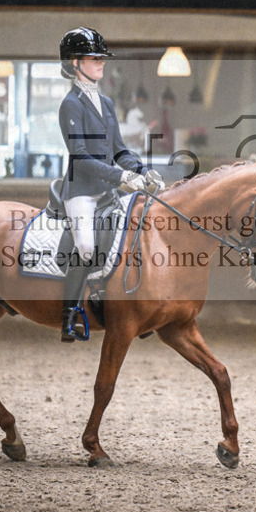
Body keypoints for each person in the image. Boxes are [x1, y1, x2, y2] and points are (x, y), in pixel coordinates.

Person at [57, 27, 163, 342]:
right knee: (87, 248)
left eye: (102, 58)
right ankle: (70, 314)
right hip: (81, 193)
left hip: (108, 192)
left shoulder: (105, 102)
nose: (101, 63)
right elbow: (80, 156)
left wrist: (143, 171)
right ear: (75, 63)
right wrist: (121, 177)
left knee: (138, 235)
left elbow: (119, 149)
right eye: (94, 58)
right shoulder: (70, 105)